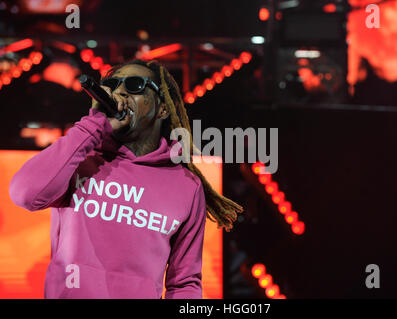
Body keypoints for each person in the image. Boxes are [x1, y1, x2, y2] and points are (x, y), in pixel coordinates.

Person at [9, 59, 243, 299]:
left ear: (163, 108)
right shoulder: (79, 160)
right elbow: (24, 194)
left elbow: (184, 284)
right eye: (112, 84)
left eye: (135, 85)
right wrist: (91, 127)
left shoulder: (186, 186)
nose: (119, 91)